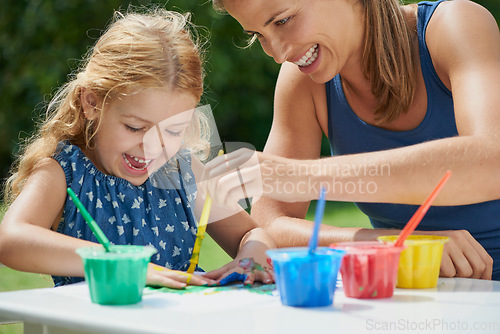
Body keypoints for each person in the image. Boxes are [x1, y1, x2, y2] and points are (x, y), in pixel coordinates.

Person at [206, 0, 500, 280]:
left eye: (283, 21)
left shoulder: (455, 26)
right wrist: (391, 244)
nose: (278, 53)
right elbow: (269, 226)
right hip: (422, 296)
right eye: (259, 35)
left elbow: (491, 162)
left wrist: (297, 175)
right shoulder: (303, 81)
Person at [0, 8, 275, 289]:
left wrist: (250, 257)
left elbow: (252, 233)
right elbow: (10, 240)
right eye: (135, 127)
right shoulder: (64, 171)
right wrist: (123, 264)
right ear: (92, 102)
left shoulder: (180, 171)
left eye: (172, 130)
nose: (152, 147)